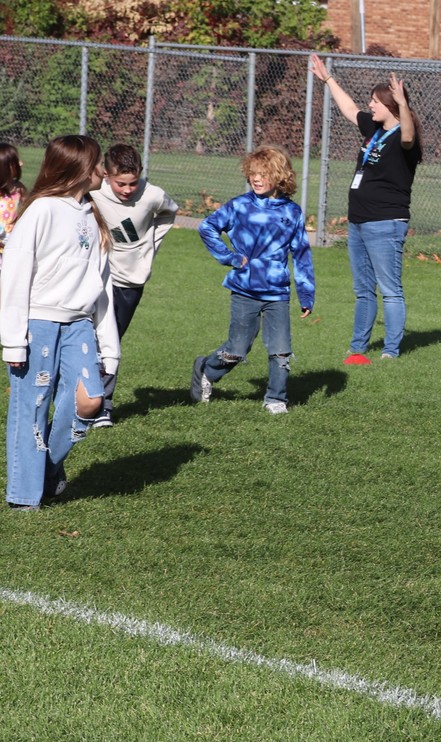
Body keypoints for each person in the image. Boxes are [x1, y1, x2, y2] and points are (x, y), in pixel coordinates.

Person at [1, 135, 117, 510]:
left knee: (91, 400)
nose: (104, 171)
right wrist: (14, 341)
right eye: (98, 164)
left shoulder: (93, 214)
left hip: (80, 324)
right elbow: (14, 276)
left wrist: (110, 346)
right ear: (81, 169)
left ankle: (47, 470)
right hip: (39, 325)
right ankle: (24, 497)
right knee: (33, 406)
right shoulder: (42, 210)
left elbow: (102, 287)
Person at [310, 53, 422, 363]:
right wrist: (328, 79)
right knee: (362, 290)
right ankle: (358, 347)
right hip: (359, 221)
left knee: (390, 289)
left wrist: (403, 103)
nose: (369, 105)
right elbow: (348, 108)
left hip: (386, 222)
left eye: (375, 101)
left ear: (390, 105)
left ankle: (390, 351)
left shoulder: (403, 137)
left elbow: (409, 135)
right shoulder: (373, 130)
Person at [190, 145, 315, 415]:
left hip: (277, 294)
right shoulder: (239, 206)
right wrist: (230, 257)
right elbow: (207, 227)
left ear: (280, 176)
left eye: (263, 173)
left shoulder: (292, 212)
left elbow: (302, 254)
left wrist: (306, 294)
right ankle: (206, 370)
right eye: (252, 173)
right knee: (236, 350)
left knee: (281, 350)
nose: (256, 179)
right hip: (245, 290)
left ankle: (276, 399)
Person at [89, 144, 179, 427]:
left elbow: (169, 212)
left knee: (111, 341)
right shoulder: (93, 192)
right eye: (120, 184)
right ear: (106, 175)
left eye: (132, 183)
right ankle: (92, 402)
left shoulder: (152, 195)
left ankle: (102, 403)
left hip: (130, 281)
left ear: (141, 174)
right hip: (97, 276)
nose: (127, 190)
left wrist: (149, 244)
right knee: (89, 338)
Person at [0, 142, 26, 268]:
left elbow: (29, 208)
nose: (21, 164)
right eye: (15, 162)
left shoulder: (19, 189)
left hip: (11, 243)